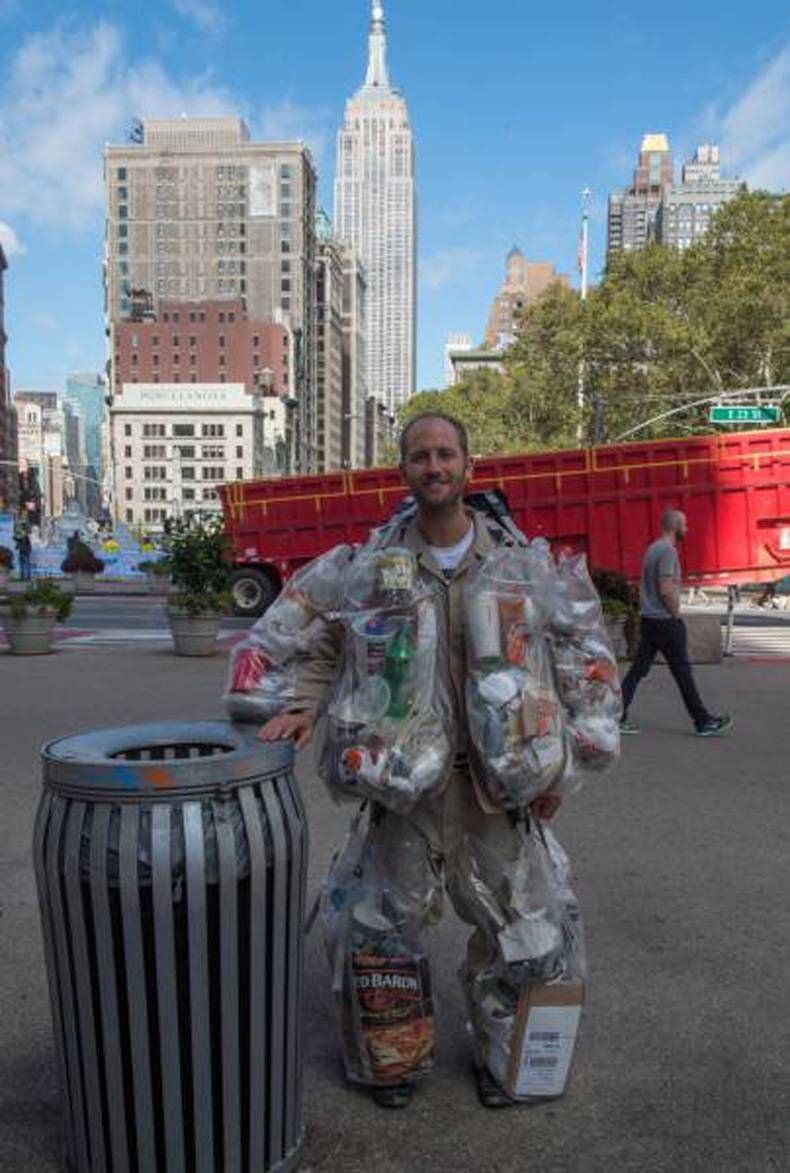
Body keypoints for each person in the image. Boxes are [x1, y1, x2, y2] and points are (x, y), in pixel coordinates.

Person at [260, 413, 563, 1110]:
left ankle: (499, 1053)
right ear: (403, 470)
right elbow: (329, 646)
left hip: (492, 789)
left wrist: (550, 768)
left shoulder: (510, 560)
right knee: (385, 926)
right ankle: (395, 1056)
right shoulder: (376, 564)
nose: (434, 465)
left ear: (469, 466)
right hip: (403, 785)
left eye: (445, 453)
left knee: (515, 928)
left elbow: (546, 667)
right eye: (420, 455)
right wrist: (306, 707)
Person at [620, 509, 732, 737]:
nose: (687, 529)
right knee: (682, 673)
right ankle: (703, 722)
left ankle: (614, 716)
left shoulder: (653, 548)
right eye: (685, 525)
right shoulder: (668, 552)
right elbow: (665, 588)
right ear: (675, 527)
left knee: (637, 671)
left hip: (649, 619)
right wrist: (676, 613)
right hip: (665, 621)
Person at [13, 516, 32, 582]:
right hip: (23, 548)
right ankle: (24, 576)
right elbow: (16, 538)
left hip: (25, 548)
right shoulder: (24, 533)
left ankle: (27, 577)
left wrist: (18, 537)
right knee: (23, 562)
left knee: (26, 562)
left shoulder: (25, 534)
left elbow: (19, 538)